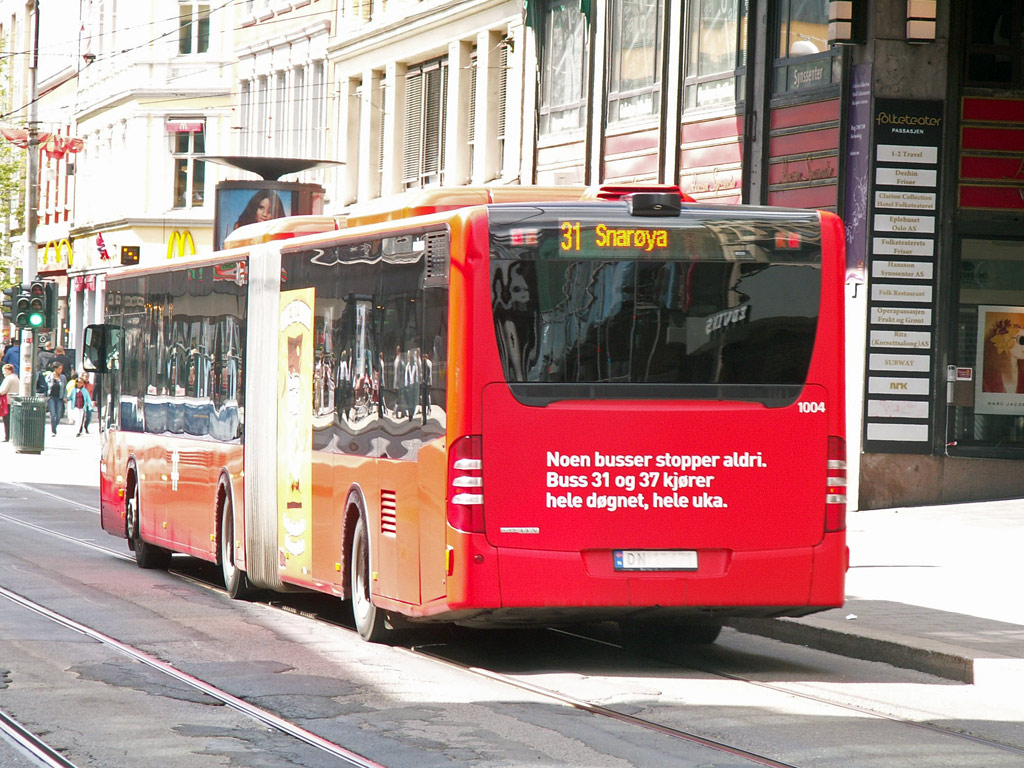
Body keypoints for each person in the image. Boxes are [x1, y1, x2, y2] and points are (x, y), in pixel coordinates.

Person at [45, 363, 67, 436]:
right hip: (51, 397)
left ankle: (55, 425)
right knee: (53, 414)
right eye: (59, 369)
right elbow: (46, 386)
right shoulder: (49, 376)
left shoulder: (63, 377)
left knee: (58, 415)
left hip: (59, 398)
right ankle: (53, 431)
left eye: (61, 369)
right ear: (55, 369)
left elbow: (65, 388)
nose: (61, 370)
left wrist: (65, 397)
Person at [0, 363, 19, 441]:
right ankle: (12, 436)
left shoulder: (8, 379)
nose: (3, 373)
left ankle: (7, 437)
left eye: (4, 371)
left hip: (7, 402)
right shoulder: (16, 378)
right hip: (14, 401)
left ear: (9, 371)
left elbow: (2, 391)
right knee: (12, 420)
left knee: (6, 420)